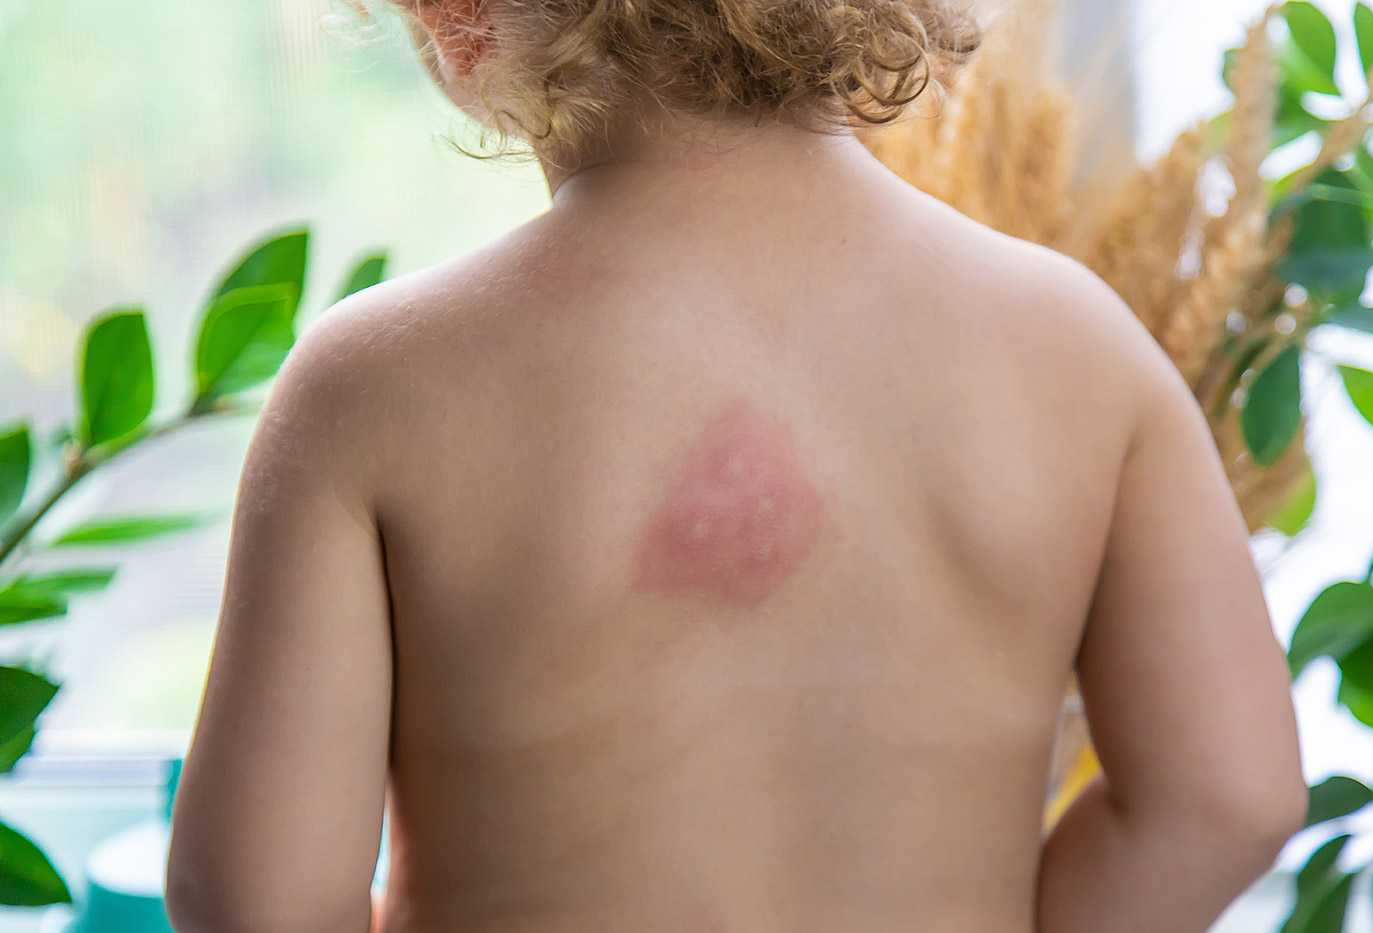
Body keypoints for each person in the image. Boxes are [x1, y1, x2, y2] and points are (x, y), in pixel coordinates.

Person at [163, 1, 1309, 931]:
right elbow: (1231, 796)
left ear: (454, 25)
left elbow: (256, 901)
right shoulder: (1079, 349)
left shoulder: (375, 385)